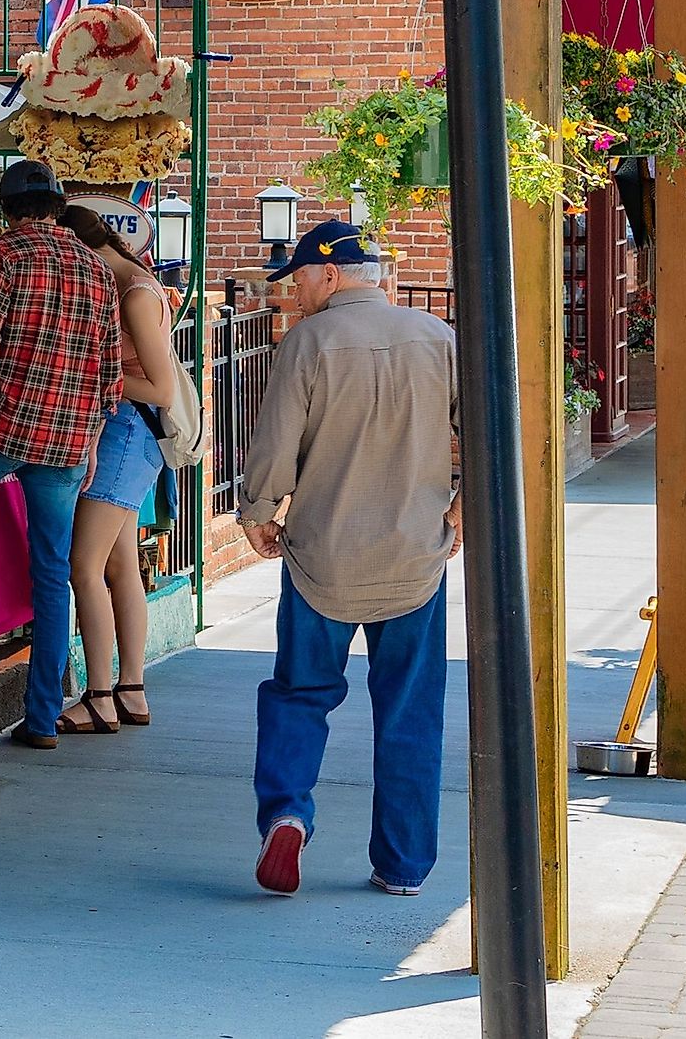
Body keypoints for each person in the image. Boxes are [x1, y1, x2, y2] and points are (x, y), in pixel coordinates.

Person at [240, 221, 460, 898]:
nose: (295, 293)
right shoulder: (438, 339)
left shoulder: (307, 342)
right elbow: (486, 434)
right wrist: (459, 515)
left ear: (330, 275)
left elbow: (277, 447)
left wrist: (257, 513)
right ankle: (403, 865)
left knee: (299, 696)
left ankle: (287, 812)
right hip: (414, 556)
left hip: (321, 559)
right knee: (410, 711)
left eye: (300, 279)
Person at [0, 159, 121, 747]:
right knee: (53, 572)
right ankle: (43, 716)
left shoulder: (6, 254)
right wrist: (92, 439)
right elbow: (108, 372)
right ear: (58, 203)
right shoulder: (95, 268)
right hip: (70, 436)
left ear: (6, 207)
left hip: (3, 424)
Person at [56, 206, 183, 733]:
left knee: (82, 567)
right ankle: (130, 689)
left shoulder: (133, 294)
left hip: (129, 431)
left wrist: (92, 376)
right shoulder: (133, 282)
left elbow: (161, 388)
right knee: (120, 567)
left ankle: (100, 695)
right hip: (131, 432)